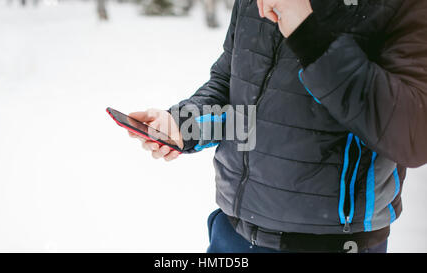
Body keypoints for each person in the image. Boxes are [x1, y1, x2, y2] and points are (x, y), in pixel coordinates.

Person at [128, 0, 427, 253]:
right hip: (233, 233)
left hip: (332, 242)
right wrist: (184, 125)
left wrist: (306, 33)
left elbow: (413, 134)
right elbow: (232, 84)